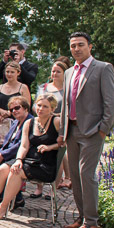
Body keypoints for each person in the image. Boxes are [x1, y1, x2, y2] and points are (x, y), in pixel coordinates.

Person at [60, 31, 114, 228]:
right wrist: (63, 131)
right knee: (75, 176)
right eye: (73, 45)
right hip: (72, 130)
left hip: (92, 131)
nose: (76, 49)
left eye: (80, 45)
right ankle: (82, 216)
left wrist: (103, 130)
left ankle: (91, 221)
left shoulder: (103, 68)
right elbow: (66, 104)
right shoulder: (68, 72)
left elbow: (111, 102)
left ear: (90, 46)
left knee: (87, 174)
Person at [0, 94, 61, 219]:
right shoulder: (29, 123)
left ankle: (3, 207)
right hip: (29, 161)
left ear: (52, 109)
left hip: (45, 164)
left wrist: (49, 147)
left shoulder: (56, 122)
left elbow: (63, 143)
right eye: (39, 105)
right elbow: (24, 146)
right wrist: (19, 159)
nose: (41, 109)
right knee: (2, 168)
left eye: (45, 107)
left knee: (16, 172)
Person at [0, 96, 32, 209]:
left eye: (17, 108)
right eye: (11, 110)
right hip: (9, 155)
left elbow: (21, 145)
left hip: (21, 156)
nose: (14, 111)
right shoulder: (16, 122)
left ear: (25, 108)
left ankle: (4, 197)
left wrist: (3, 155)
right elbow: (7, 141)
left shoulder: (30, 122)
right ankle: (4, 196)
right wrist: (0, 153)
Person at [35, 58, 70, 193]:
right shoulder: (44, 88)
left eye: (58, 72)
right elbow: (35, 104)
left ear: (64, 73)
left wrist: (57, 116)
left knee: (58, 155)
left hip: (58, 125)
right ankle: (39, 187)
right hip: (42, 124)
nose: (55, 74)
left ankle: (54, 188)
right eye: (53, 71)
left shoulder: (68, 89)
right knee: (38, 152)